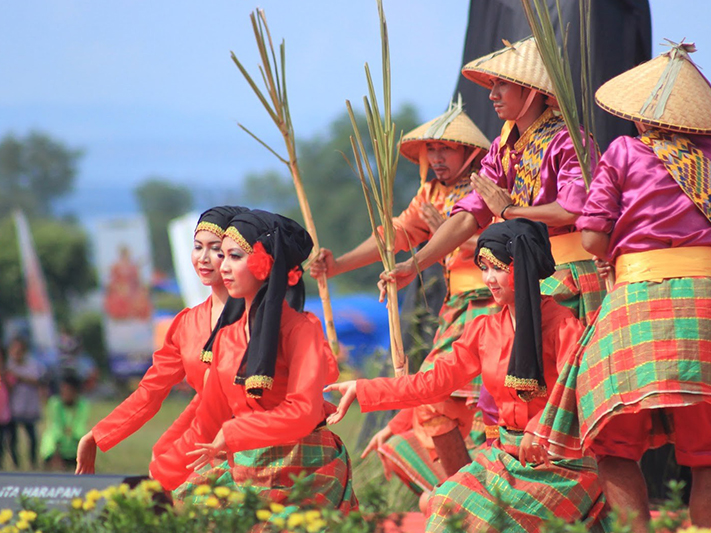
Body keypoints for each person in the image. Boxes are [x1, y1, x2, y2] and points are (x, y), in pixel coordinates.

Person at [326, 219, 607, 532]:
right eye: (483, 268)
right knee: (446, 504)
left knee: (483, 519)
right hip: (505, 459)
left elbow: (576, 392)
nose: (487, 279)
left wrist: (538, 430)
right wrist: (363, 388)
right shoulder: (485, 329)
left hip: (560, 463)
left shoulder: (563, 325)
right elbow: (432, 382)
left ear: (523, 267)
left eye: (496, 268)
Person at [537, 41, 711, 531]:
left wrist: (616, 252)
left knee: (612, 442)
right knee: (707, 455)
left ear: (640, 115)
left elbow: (591, 235)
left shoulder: (625, 151)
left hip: (637, 306)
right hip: (707, 309)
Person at [311, 97, 496, 489]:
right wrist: (338, 264)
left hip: (492, 304)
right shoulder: (430, 193)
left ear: (469, 152)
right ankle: (464, 494)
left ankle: (473, 496)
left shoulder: (487, 189)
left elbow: (505, 245)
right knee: (435, 404)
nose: (437, 156)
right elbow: (393, 234)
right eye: (432, 149)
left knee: (472, 406)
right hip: (457, 310)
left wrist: (456, 234)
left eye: (445, 147)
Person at [382, 36, 605, 327]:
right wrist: (414, 264)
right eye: (492, 85)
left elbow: (573, 210)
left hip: (571, 277)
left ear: (531, 90)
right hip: (525, 278)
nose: (493, 95)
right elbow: (468, 216)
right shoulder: (502, 149)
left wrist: (510, 212)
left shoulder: (570, 141)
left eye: (503, 84)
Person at [150, 210, 357, 514]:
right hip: (248, 465)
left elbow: (303, 410)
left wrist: (234, 432)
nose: (224, 267)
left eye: (234, 256)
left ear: (265, 264)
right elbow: (207, 423)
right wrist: (156, 479)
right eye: (224, 256)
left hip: (305, 468)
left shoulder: (303, 329)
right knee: (184, 506)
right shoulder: (226, 338)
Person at [75, 206, 248, 474]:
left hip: (254, 435)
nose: (203, 258)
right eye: (197, 247)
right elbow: (150, 392)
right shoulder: (186, 324)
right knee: (163, 465)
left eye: (215, 249)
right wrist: (98, 435)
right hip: (205, 429)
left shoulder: (261, 318)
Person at [5, 336, 44, 469]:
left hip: (30, 408)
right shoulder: (7, 365)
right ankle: (16, 464)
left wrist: (18, 377)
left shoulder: (32, 365)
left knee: (32, 439)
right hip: (13, 408)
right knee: (12, 440)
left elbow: (38, 381)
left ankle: (33, 463)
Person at [40, 371, 90, 470]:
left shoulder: (82, 405)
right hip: (56, 444)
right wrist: (56, 451)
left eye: (69, 390)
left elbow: (80, 426)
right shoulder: (55, 403)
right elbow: (55, 426)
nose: (66, 393)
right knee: (49, 440)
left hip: (74, 444)